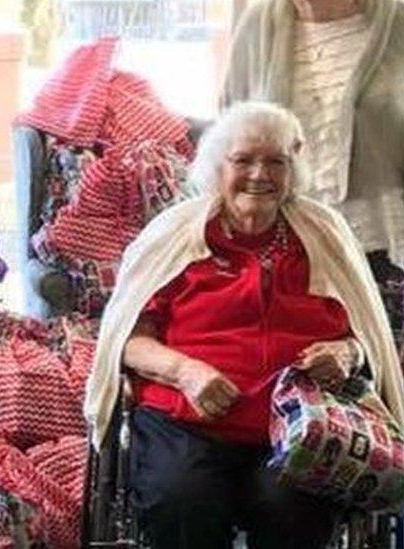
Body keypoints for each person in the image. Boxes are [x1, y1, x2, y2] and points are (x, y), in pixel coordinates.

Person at [84, 102, 404, 549]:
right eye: (244, 160)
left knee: (294, 508)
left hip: (299, 429)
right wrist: (186, 372)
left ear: (293, 171)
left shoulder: (325, 235)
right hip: (185, 423)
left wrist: (347, 353)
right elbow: (128, 340)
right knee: (183, 500)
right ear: (218, 166)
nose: (260, 174)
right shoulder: (176, 235)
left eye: (276, 161)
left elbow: (367, 332)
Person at [222, 0, 404, 345]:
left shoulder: (396, 21)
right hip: (289, 253)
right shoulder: (257, 23)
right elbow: (233, 136)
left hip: (387, 248)